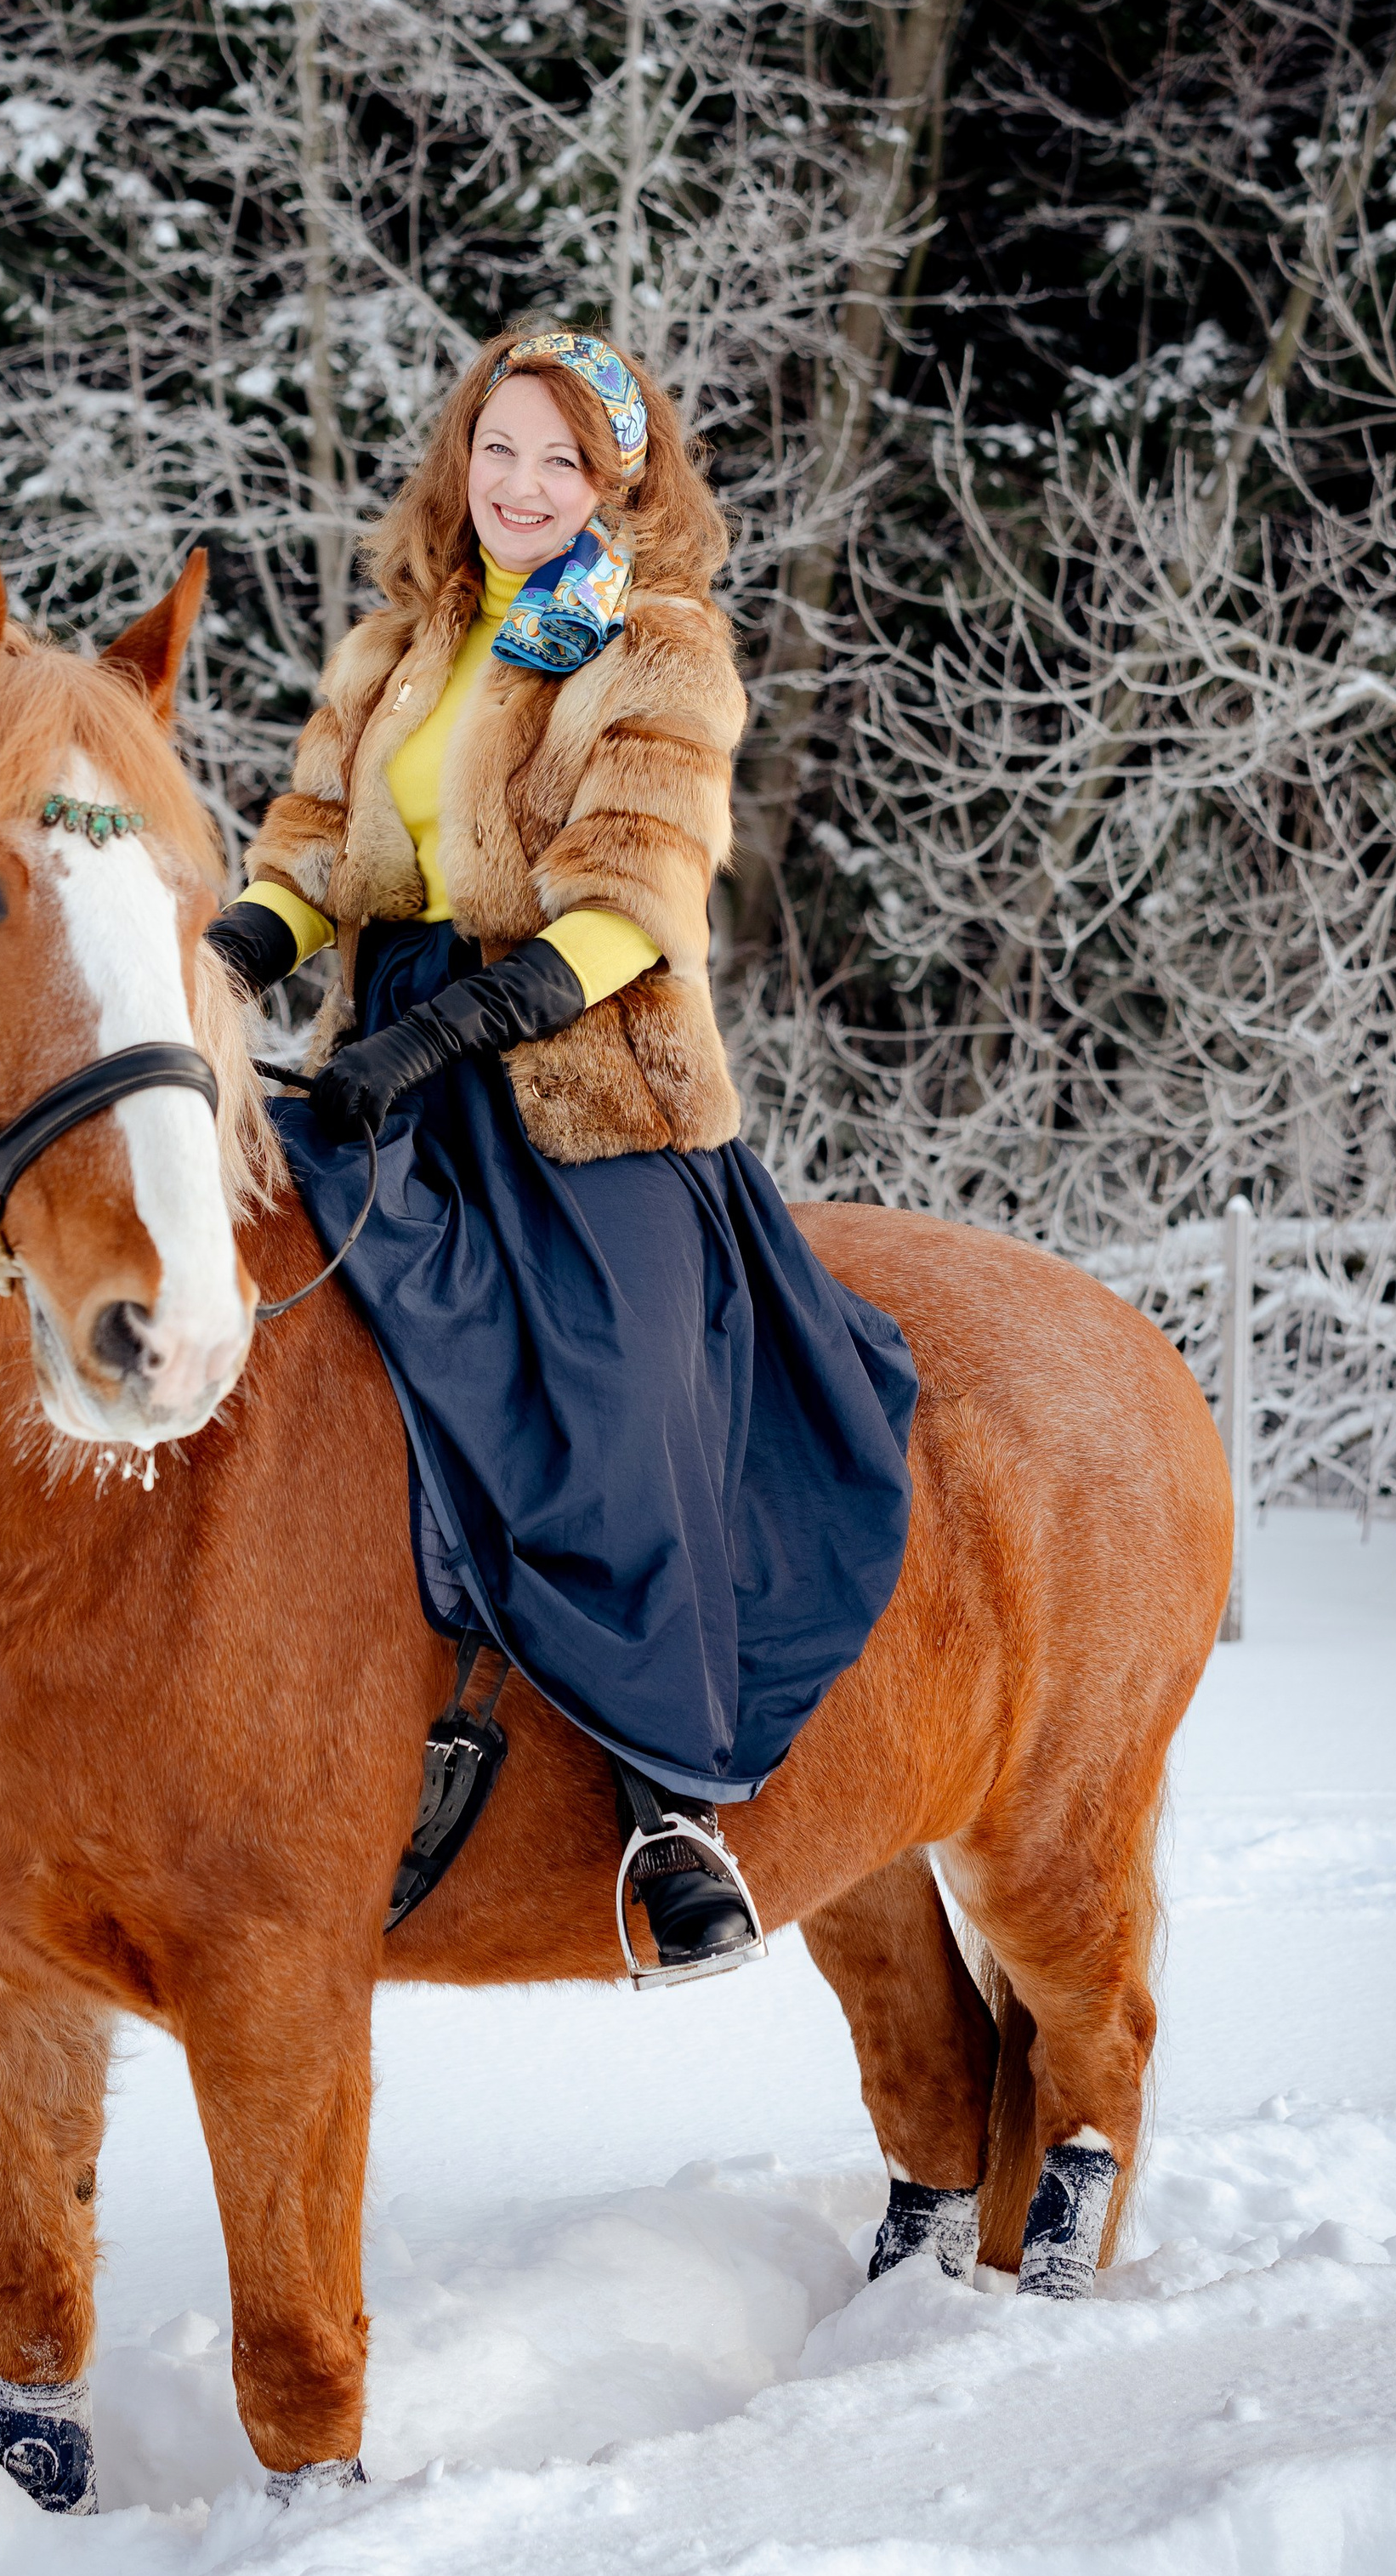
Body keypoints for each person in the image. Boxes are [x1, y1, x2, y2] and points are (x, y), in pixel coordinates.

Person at [205, 328, 917, 1976]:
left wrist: (451, 1029)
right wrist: (234, 955)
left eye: (557, 463)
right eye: (495, 452)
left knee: (619, 1385)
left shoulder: (656, 645)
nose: (518, 488)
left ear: (619, 483)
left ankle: (673, 1804)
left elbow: (632, 906)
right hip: (386, 1062)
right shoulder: (400, 639)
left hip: (582, 1078)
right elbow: (317, 849)